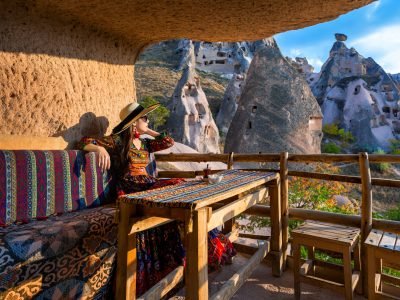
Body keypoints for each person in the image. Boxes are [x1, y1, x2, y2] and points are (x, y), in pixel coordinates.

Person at [79, 102, 236, 296]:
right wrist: (99, 149)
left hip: (147, 183)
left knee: (181, 188)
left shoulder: (145, 143)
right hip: (131, 186)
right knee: (177, 184)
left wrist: (147, 130)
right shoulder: (118, 141)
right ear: (135, 122)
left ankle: (206, 246)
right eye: (144, 118)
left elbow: (167, 141)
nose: (148, 120)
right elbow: (85, 140)